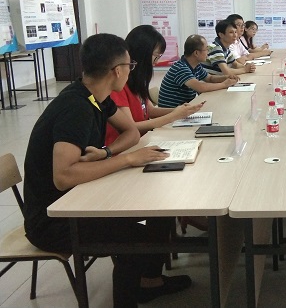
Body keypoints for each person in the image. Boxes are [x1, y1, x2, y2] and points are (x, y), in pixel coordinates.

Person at [23, 33, 191, 307]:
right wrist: (127, 160)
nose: (131, 71)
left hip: (81, 197)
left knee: (161, 212)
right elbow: (63, 177)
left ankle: (150, 281)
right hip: (55, 219)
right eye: (129, 66)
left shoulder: (96, 97)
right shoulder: (75, 108)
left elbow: (131, 133)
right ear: (117, 70)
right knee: (136, 241)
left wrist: (107, 153)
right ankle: (131, 297)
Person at [105, 25, 205, 146]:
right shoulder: (119, 85)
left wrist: (181, 111)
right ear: (142, 53)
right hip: (126, 146)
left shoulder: (137, 80)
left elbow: (150, 111)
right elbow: (131, 127)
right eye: (156, 56)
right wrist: (174, 116)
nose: (156, 62)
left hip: (142, 140)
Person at [158, 34, 238, 108]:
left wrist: (226, 77)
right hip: (173, 113)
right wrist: (224, 84)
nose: (208, 52)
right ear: (196, 53)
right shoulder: (181, 68)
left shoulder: (195, 65)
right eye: (206, 49)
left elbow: (210, 78)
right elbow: (200, 87)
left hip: (184, 108)